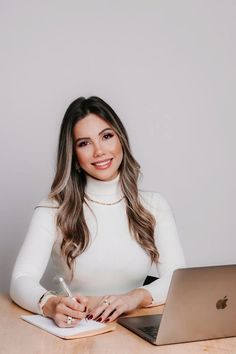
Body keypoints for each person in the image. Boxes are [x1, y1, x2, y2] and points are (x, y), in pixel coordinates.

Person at [10, 96, 185, 328]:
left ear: (121, 139)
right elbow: (20, 280)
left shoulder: (154, 205)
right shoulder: (53, 209)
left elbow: (178, 278)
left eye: (106, 136)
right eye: (84, 143)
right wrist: (50, 304)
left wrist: (135, 297)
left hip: (132, 329)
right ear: (74, 157)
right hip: (76, 331)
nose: (99, 151)